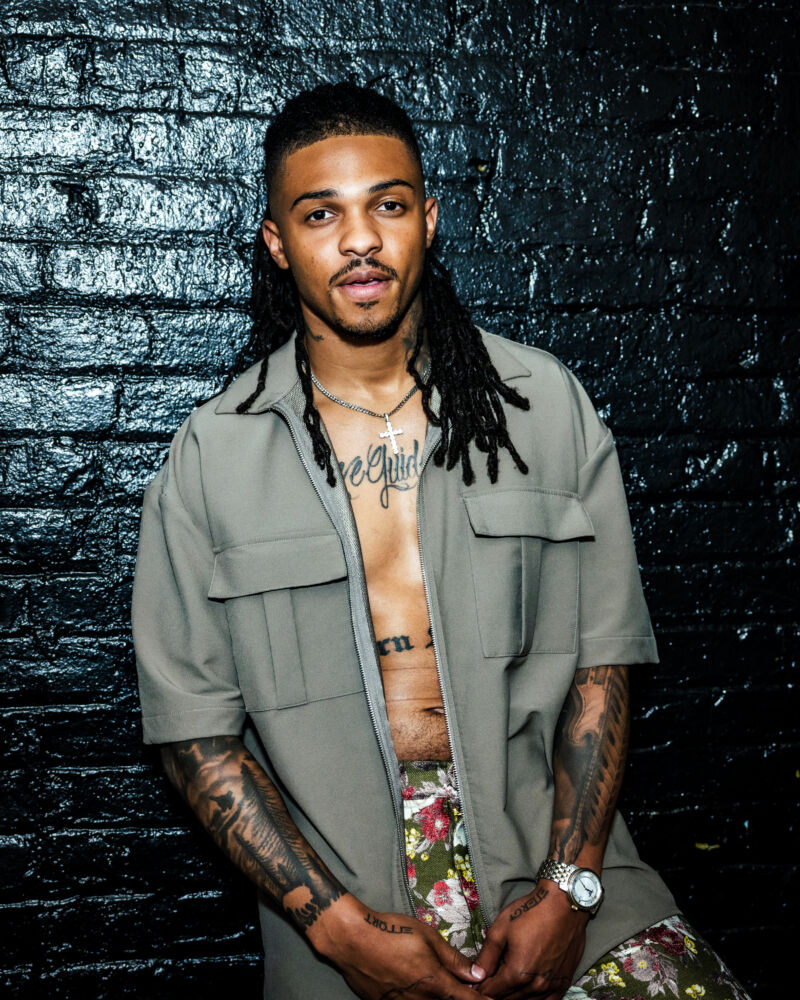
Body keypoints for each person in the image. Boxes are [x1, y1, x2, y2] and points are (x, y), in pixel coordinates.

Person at [131, 82, 751, 1000]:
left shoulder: (543, 406)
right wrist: (336, 929)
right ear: (277, 242)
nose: (359, 240)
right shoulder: (211, 457)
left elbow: (605, 663)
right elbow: (197, 735)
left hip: (561, 872)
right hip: (343, 915)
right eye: (320, 214)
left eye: (387, 205)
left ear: (427, 220)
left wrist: (570, 891)